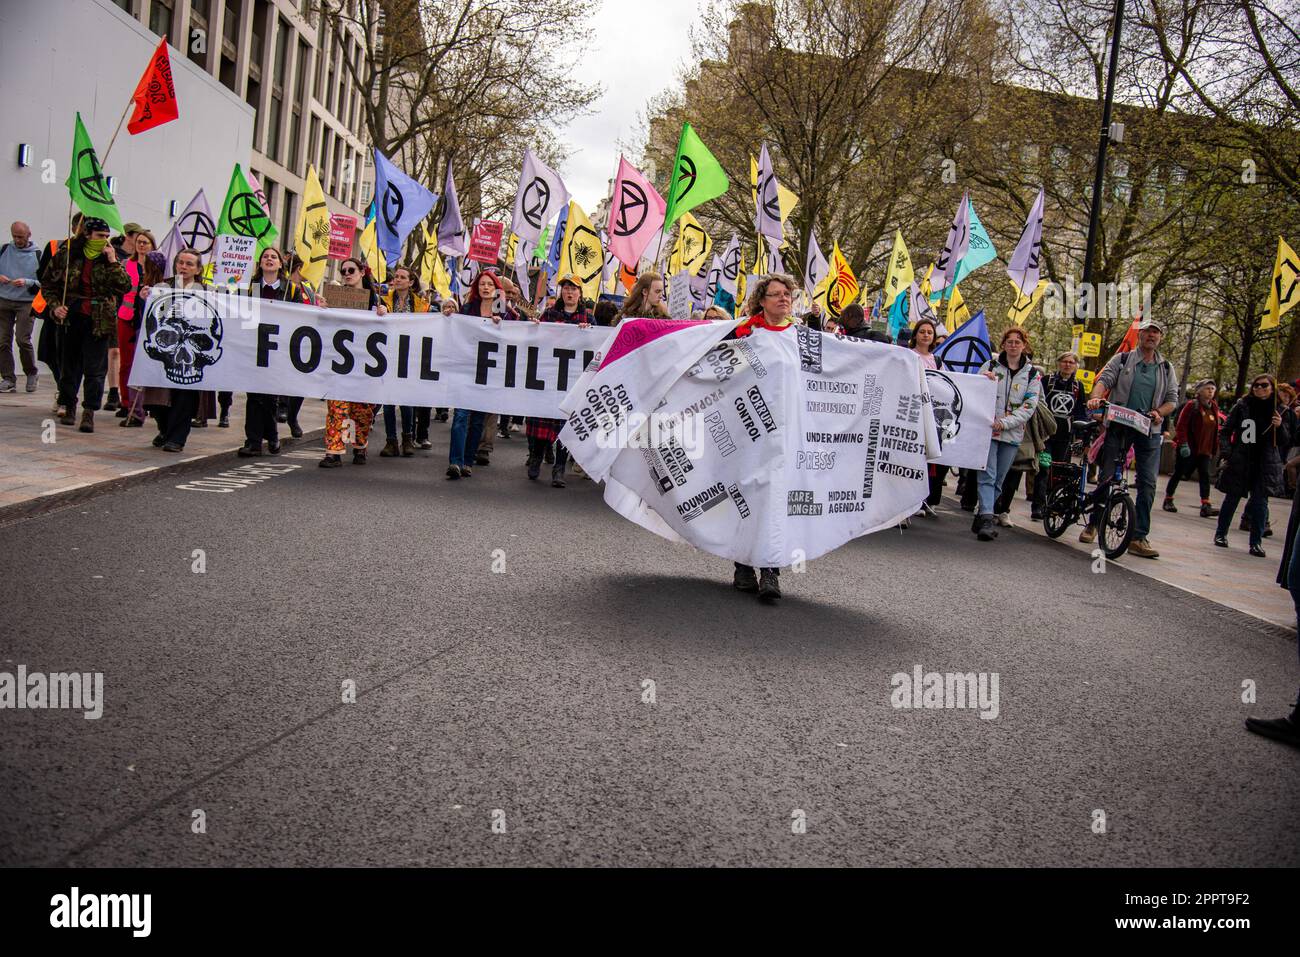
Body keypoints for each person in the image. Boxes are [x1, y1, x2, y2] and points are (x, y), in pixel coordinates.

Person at [1081, 318, 1179, 558]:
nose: (1151, 337)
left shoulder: (1166, 367)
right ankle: (1094, 522)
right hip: (1119, 425)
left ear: (1160, 339)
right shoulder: (1123, 359)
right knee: (1106, 476)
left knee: (1148, 484)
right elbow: (1104, 380)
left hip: (1148, 430)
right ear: (1140, 336)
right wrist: (1096, 398)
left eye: (1156, 333)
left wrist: (1159, 413)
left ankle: (1139, 536)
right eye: (1147, 332)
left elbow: (1172, 399)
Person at [730, 274, 800, 603]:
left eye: (787, 294)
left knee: (775, 500)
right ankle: (743, 564)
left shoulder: (801, 337)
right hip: (748, 432)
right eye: (776, 295)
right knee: (747, 496)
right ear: (762, 300)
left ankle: (770, 570)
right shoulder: (746, 333)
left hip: (785, 436)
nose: (783, 299)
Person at [37, 216, 132, 433]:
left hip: (100, 319)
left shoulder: (110, 258)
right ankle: (69, 405)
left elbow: (124, 286)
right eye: (100, 236)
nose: (104, 240)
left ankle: (89, 411)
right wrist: (55, 306)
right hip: (72, 316)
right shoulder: (67, 254)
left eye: (107, 237)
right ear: (87, 235)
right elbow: (49, 283)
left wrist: (113, 261)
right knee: (69, 366)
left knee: (95, 369)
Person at [240, 247, 311, 457]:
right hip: (253, 347)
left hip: (278, 348)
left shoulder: (290, 290)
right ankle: (253, 441)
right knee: (253, 396)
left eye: (273, 257)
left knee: (269, 397)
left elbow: (298, 316)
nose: (269, 259)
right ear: (260, 263)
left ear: (281, 264)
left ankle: (271, 436)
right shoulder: (250, 288)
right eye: (265, 257)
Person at [974, 327, 1041, 541]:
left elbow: (1030, 405)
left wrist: (1005, 423)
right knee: (988, 474)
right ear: (1003, 344)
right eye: (1009, 341)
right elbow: (975, 391)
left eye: (1017, 342)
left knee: (999, 479)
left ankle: (983, 513)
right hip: (989, 430)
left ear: (1024, 345)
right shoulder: (991, 365)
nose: (1013, 345)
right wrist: (984, 380)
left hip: (1012, 433)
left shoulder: (1032, 374)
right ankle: (986, 518)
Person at [448, 270, 516, 479]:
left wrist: (506, 317)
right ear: (477, 288)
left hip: (488, 372)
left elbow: (518, 328)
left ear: (496, 288)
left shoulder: (503, 310)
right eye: (481, 284)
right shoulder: (468, 309)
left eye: (489, 284)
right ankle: (455, 462)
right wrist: (447, 314)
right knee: (460, 416)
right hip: (466, 368)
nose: (485, 287)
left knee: (478, 420)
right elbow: (454, 327)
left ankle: (468, 461)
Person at [142, 248, 210, 452]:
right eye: (181, 262)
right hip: (163, 348)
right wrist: (145, 297)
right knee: (156, 397)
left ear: (198, 269)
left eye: (190, 264)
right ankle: (165, 429)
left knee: (184, 395)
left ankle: (177, 438)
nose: (184, 267)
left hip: (190, 353)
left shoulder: (207, 292)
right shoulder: (162, 287)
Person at [1212, 374, 1289, 556]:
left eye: (1264, 385)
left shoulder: (1279, 410)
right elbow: (1226, 430)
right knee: (1232, 498)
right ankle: (1220, 534)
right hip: (1242, 459)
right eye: (1256, 385)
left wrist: (1280, 426)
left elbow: (1286, 441)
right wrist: (1227, 453)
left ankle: (1256, 542)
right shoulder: (1243, 405)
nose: (1259, 389)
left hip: (1265, 462)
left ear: (1272, 388)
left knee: (1261, 503)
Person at [319, 256, 383, 466]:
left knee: (361, 411)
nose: (346, 275)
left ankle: (359, 446)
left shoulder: (374, 302)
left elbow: (386, 330)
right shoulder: (335, 298)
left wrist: (384, 313)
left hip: (364, 365)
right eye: (343, 271)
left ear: (362, 272)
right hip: (338, 363)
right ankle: (334, 452)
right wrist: (323, 310)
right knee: (337, 407)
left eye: (351, 270)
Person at [527, 274, 590, 486]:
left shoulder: (588, 320)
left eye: (574, 288)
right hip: (550, 378)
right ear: (561, 291)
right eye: (566, 288)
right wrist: (536, 328)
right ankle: (536, 456)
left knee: (565, 425)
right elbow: (537, 340)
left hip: (573, 382)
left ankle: (559, 468)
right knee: (542, 420)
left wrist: (588, 334)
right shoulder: (550, 315)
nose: (569, 292)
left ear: (580, 293)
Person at [1032, 352, 1090, 520]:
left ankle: (1053, 504)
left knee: (1060, 472)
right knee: (1043, 468)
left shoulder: (1078, 387)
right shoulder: (1047, 381)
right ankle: (1038, 506)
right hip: (1046, 435)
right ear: (1059, 363)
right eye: (1064, 361)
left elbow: (1080, 412)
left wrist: (1081, 436)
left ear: (1076, 366)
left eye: (1071, 362)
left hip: (1065, 437)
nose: (1067, 365)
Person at [379, 265, 429, 458]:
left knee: (406, 400)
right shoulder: (384, 300)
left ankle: (408, 438)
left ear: (410, 282)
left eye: (402, 277)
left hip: (408, 357)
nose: (397, 279)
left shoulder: (421, 305)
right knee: (389, 400)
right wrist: (380, 312)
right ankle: (391, 441)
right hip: (387, 355)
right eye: (396, 276)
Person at [1163, 379, 1221, 518]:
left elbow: (1214, 429)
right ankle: (1168, 499)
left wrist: (1213, 448)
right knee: (1179, 473)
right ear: (1199, 391)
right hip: (1189, 448)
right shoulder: (1191, 405)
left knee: (1205, 475)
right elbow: (1181, 425)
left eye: (1213, 389)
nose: (1210, 392)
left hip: (1204, 450)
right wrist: (1183, 444)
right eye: (1208, 389)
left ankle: (1205, 504)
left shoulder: (1213, 406)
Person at [0, 221, 42, 393]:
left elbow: (45, 283)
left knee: (22, 339)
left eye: (21, 237)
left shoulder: (37, 255)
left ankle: (31, 372)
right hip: (4, 299)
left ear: (29, 234)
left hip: (27, 302)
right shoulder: (4, 250)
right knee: (2, 341)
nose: (17, 240)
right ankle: (8, 378)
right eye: (15, 236)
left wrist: (27, 282)